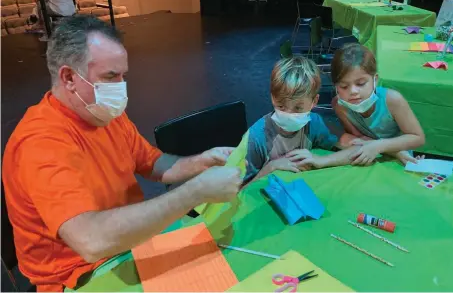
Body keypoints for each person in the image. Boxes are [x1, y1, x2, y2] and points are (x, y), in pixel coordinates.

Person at [2, 15, 242, 292]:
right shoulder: (40, 143)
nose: (120, 87)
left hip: (126, 247)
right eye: (110, 77)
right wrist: (195, 192)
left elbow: (152, 163)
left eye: (122, 75)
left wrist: (201, 161)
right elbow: (90, 242)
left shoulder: (103, 113)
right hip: (78, 275)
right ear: (68, 77)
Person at [243, 56, 358, 184]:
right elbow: (237, 190)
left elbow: (359, 147)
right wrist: (271, 167)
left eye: (298, 108)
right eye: (281, 106)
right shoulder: (257, 137)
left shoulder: (314, 124)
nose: (288, 114)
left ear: (314, 101)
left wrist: (321, 160)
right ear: (272, 98)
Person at [331, 43, 425, 165]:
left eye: (360, 84)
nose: (353, 92)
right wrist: (392, 151)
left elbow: (418, 137)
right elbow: (362, 140)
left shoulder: (392, 100)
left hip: (401, 159)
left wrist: (381, 146)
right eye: (344, 86)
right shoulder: (339, 105)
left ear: (375, 80)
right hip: (374, 156)